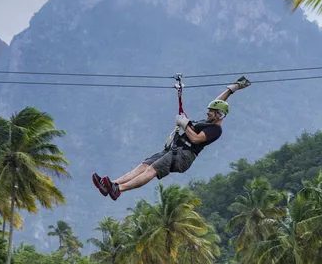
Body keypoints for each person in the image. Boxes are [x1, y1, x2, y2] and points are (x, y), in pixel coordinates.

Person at [92, 76, 251, 200]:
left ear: (219, 115)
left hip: (183, 156)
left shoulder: (216, 129)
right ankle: (112, 184)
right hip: (175, 149)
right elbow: (218, 103)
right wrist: (232, 89)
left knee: (151, 170)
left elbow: (196, 139)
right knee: (143, 165)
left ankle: (119, 190)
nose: (207, 112)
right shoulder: (210, 119)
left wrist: (185, 124)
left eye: (211, 111)